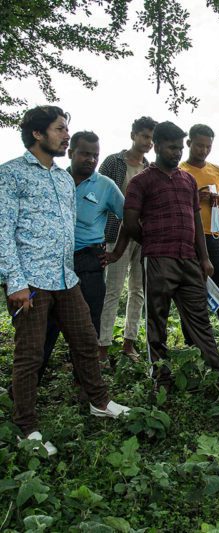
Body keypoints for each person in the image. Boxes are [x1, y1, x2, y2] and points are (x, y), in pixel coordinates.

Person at [0, 106, 130, 456]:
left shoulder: (60, 177)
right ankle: (26, 427)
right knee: (30, 356)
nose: (66, 135)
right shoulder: (10, 175)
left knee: (86, 341)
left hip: (66, 276)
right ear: (38, 134)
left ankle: (99, 402)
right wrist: (15, 282)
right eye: (60, 130)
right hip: (31, 281)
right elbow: (2, 231)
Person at [106, 121, 219, 394]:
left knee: (200, 320)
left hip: (189, 259)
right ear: (157, 146)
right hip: (158, 259)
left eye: (179, 147)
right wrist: (148, 241)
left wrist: (205, 258)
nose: (177, 152)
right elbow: (130, 220)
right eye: (171, 147)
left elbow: (196, 220)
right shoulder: (141, 181)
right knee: (156, 319)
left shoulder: (187, 181)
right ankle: (161, 377)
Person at [40, 131, 124, 378]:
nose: (91, 159)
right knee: (46, 325)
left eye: (95, 155)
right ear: (71, 152)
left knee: (88, 326)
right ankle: (28, 384)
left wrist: (116, 252)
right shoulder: (54, 180)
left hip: (89, 261)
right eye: (85, 153)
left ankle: (86, 385)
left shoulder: (105, 186)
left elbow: (129, 219)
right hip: (53, 261)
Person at [98, 116, 158, 363]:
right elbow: (99, 192)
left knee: (138, 290)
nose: (148, 142)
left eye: (151, 138)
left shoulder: (151, 168)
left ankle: (129, 344)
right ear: (133, 135)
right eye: (144, 136)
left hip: (143, 236)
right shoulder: (114, 162)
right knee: (112, 289)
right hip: (115, 232)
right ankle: (102, 345)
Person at [179, 124, 219, 347]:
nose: (203, 150)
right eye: (199, 145)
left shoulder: (218, 171)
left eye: (208, 146)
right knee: (191, 293)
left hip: (212, 237)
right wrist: (197, 195)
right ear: (189, 143)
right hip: (188, 237)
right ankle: (191, 345)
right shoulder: (181, 170)